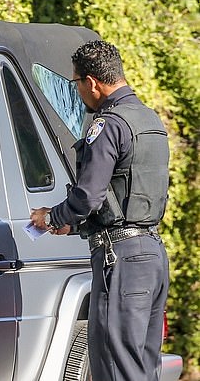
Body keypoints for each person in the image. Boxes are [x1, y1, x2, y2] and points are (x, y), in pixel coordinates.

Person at [29, 40, 170, 380]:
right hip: (152, 255)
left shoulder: (108, 125)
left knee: (113, 365)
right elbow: (128, 197)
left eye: (76, 83)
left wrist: (52, 218)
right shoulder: (150, 121)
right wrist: (75, 226)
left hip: (119, 259)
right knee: (141, 368)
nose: (77, 92)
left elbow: (88, 195)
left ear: (91, 82)